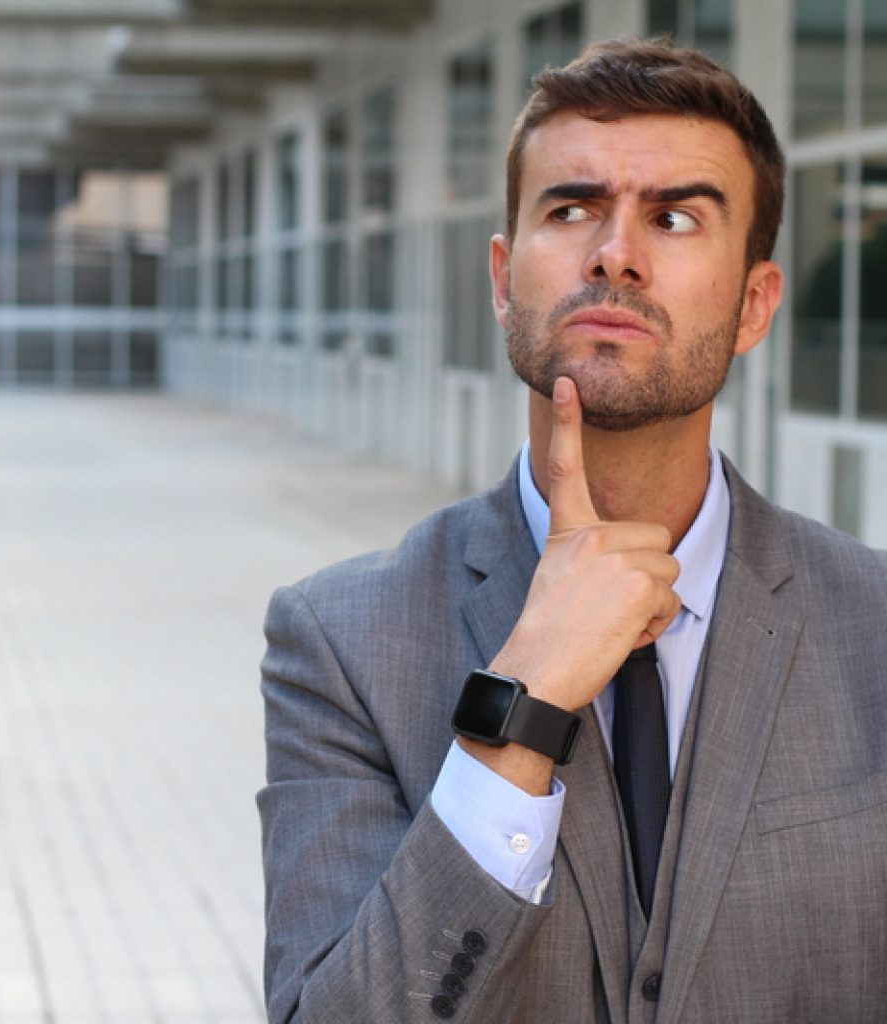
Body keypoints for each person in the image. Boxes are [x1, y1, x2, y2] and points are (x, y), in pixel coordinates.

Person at [258, 38, 887, 1024]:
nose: (615, 251)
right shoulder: (337, 642)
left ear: (755, 302)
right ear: (504, 281)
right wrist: (525, 696)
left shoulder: (875, 623)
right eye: (572, 208)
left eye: (674, 216)